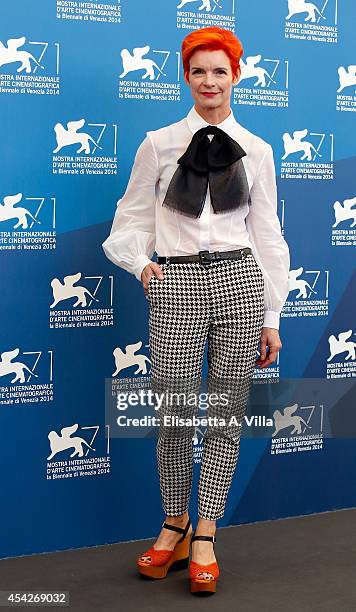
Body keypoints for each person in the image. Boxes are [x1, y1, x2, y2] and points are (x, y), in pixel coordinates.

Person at [102, 26, 290, 595]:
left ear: (236, 76)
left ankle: (206, 530)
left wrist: (272, 316)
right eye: (199, 71)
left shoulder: (258, 150)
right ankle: (174, 522)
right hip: (176, 281)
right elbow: (130, 219)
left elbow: (269, 236)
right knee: (175, 414)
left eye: (220, 70)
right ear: (185, 77)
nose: (210, 81)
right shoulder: (158, 144)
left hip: (238, 280)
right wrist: (141, 265)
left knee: (228, 414)